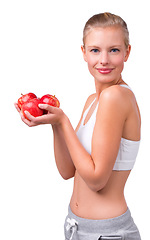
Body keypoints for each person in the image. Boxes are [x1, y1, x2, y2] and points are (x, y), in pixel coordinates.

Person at [15, 12, 141, 240]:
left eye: (113, 50)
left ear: (127, 53)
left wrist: (63, 121)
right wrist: (54, 124)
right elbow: (67, 171)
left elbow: (96, 180)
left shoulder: (116, 97)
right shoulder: (93, 100)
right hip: (77, 227)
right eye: (95, 50)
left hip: (108, 233)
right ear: (83, 52)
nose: (103, 60)